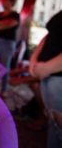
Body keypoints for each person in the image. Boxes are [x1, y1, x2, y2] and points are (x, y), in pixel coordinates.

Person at [29, 10, 62, 148]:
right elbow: (49, 36)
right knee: (54, 127)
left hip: (58, 78)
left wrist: (48, 67)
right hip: (49, 78)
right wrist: (34, 60)